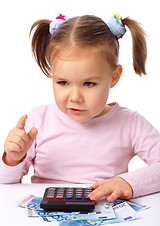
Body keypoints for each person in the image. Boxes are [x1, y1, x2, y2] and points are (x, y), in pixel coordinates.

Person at [0, 13, 160, 202]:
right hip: (45, 223)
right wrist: (12, 158)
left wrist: (127, 183)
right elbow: (6, 184)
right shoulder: (37, 121)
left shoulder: (130, 123)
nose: (75, 98)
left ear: (114, 77)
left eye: (89, 84)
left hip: (106, 222)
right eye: (63, 82)